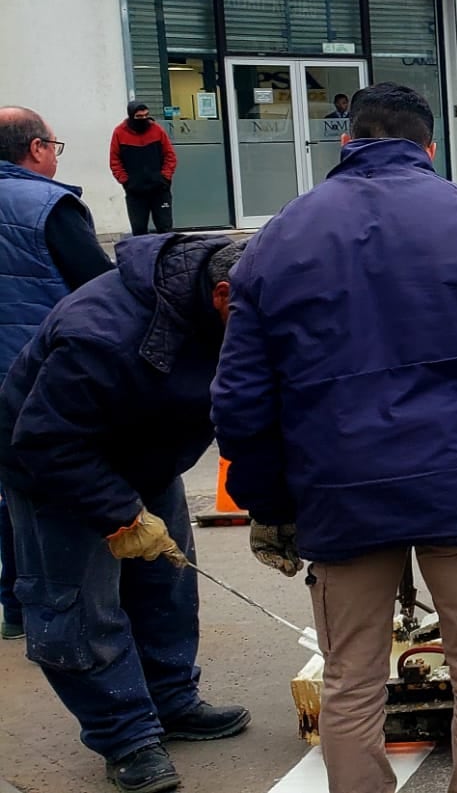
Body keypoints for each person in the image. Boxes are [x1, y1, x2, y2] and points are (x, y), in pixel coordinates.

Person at [212, 83, 457, 793]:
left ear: (345, 141)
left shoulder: (279, 238)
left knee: (351, 677)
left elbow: (239, 401)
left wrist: (272, 501)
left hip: (338, 490)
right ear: (429, 146)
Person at [0, 234, 248, 793]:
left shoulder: (239, 307)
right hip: (55, 462)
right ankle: (126, 735)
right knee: (80, 609)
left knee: (166, 584)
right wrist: (117, 512)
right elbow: (44, 441)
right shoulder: (101, 335)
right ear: (222, 295)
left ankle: (171, 700)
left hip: (147, 454)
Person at [0, 107, 116, 643]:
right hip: (41, 378)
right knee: (59, 502)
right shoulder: (49, 206)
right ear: (38, 148)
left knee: (11, 493)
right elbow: (102, 289)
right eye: (54, 144)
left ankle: (16, 607)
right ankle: (70, 621)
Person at [109, 103, 178, 236]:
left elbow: (170, 156)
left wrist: (164, 177)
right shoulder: (119, 132)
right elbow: (114, 160)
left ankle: (166, 256)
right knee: (139, 230)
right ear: (131, 116)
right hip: (135, 191)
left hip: (159, 189)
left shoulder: (157, 130)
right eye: (139, 116)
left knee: (165, 229)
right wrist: (126, 181)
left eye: (146, 115)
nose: (143, 119)